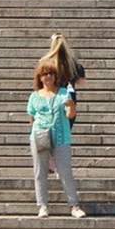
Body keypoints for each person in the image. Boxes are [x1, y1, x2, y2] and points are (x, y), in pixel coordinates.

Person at [27, 63, 84, 218]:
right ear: (40, 78)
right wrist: (36, 133)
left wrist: (72, 106)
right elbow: (31, 117)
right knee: (40, 172)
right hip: (40, 136)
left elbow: (70, 115)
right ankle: (43, 205)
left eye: (51, 74)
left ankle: (74, 205)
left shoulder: (63, 93)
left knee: (65, 171)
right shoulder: (34, 96)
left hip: (61, 136)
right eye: (45, 74)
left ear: (55, 77)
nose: (48, 77)